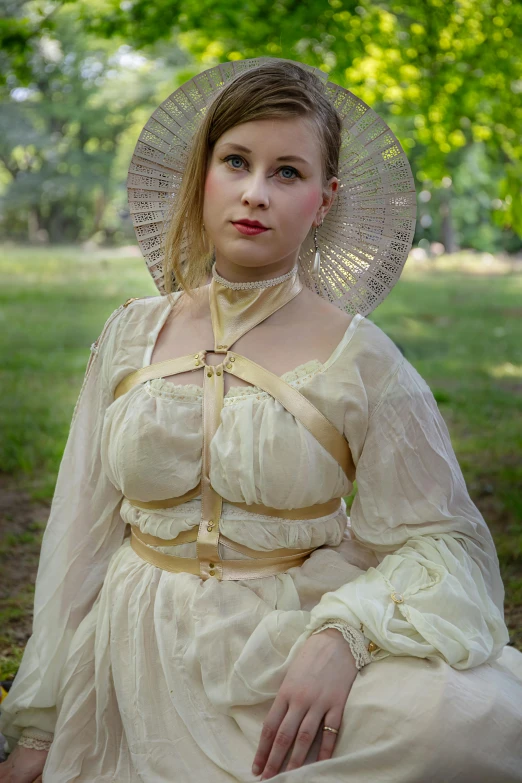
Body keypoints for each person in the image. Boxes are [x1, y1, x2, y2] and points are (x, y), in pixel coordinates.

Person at [1, 58, 521, 783]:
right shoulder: (129, 333)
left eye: (287, 173)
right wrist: (40, 721)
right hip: (137, 649)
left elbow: (448, 543)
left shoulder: (361, 357)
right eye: (236, 161)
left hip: (283, 644)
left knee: (474, 723)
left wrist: (344, 636)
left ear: (324, 197)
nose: (254, 193)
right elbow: (76, 536)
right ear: (203, 172)